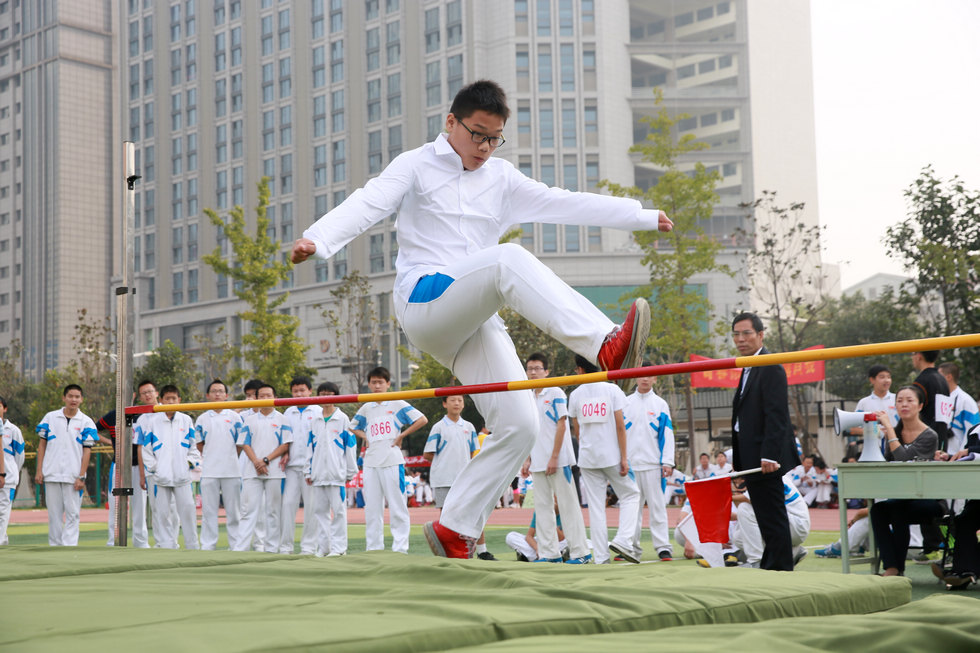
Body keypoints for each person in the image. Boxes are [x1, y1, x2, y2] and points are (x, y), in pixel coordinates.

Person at [291, 80, 672, 558]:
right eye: (477, 135)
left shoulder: (502, 178)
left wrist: (641, 215)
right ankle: (604, 345)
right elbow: (369, 202)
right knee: (507, 259)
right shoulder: (415, 164)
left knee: (521, 423)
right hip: (425, 300)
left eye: (495, 139)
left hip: (473, 318)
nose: (485, 148)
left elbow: (563, 201)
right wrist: (319, 239)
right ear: (451, 122)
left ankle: (455, 529)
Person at [729, 312, 800, 571]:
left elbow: (777, 415)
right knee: (764, 516)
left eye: (746, 333)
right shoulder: (749, 367)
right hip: (752, 455)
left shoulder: (770, 366)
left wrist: (770, 455)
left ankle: (781, 569)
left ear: (760, 335)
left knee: (772, 516)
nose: (740, 339)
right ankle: (773, 566)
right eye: (736, 334)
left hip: (766, 457)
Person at [568, 355, 641, 564]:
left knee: (596, 508)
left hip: (588, 458)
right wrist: (624, 457)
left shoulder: (575, 395)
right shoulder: (612, 390)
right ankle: (623, 539)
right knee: (631, 495)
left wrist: (586, 448)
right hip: (611, 455)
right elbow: (620, 426)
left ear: (580, 370)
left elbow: (577, 430)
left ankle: (601, 557)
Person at [520, 353, 590, 564]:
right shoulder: (527, 397)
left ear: (546, 371)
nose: (533, 372)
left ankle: (581, 553)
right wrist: (527, 459)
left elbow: (562, 425)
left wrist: (554, 457)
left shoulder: (555, 392)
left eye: (537, 368)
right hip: (538, 461)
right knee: (542, 509)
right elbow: (529, 431)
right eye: (530, 369)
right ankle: (549, 554)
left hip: (559, 461)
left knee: (568, 507)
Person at [351, 366, 427, 553]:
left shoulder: (396, 403)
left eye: (380, 382)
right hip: (371, 463)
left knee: (397, 505)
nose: (377, 386)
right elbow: (353, 426)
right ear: (369, 385)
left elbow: (422, 420)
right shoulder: (366, 407)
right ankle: (374, 548)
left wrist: (402, 435)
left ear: (388, 384)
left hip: (392, 460)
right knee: (372, 508)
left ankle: (400, 548)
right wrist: (366, 437)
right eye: (374, 382)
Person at [869, 385, 943, 576]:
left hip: (927, 498)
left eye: (909, 400)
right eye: (900, 401)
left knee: (897, 509)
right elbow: (889, 464)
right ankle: (892, 566)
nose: (904, 404)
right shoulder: (894, 432)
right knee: (878, 510)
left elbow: (903, 459)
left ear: (920, 406)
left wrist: (889, 431)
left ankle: (895, 569)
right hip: (901, 496)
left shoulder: (929, 435)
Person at [423, 393, 498, 560]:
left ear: (463, 404)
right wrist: (444, 463)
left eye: (459, 400)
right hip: (443, 479)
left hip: (465, 480)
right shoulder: (438, 427)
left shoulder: (469, 427)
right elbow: (428, 454)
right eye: (452, 400)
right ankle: (447, 550)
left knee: (475, 512)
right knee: (446, 516)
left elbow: (473, 452)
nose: (456, 403)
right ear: (444, 404)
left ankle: (482, 551)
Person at [35, 384, 99, 546]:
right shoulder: (50, 418)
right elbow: (42, 445)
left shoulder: (86, 422)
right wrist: (39, 470)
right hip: (51, 474)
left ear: (81, 399)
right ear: (64, 398)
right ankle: (55, 546)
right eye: (70, 396)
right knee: (54, 515)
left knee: (73, 514)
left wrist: (81, 476)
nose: (73, 400)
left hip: (73, 476)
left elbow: (87, 451)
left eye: (77, 397)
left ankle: (69, 547)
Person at [139, 385, 200, 550]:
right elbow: (146, 450)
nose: (171, 401)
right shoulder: (153, 422)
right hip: (161, 477)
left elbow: (193, 447)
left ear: (179, 400)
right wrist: (156, 469)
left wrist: (188, 464)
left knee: (188, 512)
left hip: (183, 477)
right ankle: (166, 546)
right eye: (167, 399)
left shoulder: (186, 420)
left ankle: (192, 546)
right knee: (162, 514)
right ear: (161, 400)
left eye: (174, 398)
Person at [624, 367, 675, 561]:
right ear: (635, 377)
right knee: (631, 509)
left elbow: (667, 435)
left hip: (654, 465)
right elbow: (618, 434)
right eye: (641, 375)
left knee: (658, 507)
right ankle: (630, 547)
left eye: (649, 375)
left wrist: (667, 462)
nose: (645, 379)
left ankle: (663, 547)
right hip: (630, 466)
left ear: (655, 378)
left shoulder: (660, 405)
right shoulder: (625, 403)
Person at [235, 383, 292, 553]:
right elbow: (244, 443)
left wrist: (266, 460)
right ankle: (241, 548)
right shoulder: (249, 420)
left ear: (275, 397)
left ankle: (271, 548)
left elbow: (285, 444)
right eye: (262, 396)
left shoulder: (282, 419)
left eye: (269, 395)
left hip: (275, 471)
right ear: (256, 398)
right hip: (252, 471)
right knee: (248, 510)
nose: (265, 398)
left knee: (273, 511)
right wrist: (256, 462)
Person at [305, 381, 357, 557]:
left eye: (330, 393)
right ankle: (324, 548)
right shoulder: (315, 420)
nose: (326, 397)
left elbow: (350, 446)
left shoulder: (342, 419)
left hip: (337, 475)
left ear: (336, 396)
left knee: (339, 513)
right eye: (322, 393)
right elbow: (309, 447)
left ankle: (339, 548)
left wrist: (350, 471)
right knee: (320, 513)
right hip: (318, 474)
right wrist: (308, 470)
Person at [194, 379, 245, 551]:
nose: (217, 394)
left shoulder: (235, 417)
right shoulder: (202, 418)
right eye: (214, 391)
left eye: (221, 391)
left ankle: (236, 545)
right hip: (210, 470)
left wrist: (229, 456)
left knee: (234, 511)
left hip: (232, 470)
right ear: (208, 395)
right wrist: (212, 455)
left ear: (226, 395)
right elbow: (199, 443)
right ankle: (208, 545)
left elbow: (240, 443)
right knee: (209, 511)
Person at [280, 376, 324, 555]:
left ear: (310, 391)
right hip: (291, 467)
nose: (298, 394)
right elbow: (285, 438)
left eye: (302, 390)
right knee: (287, 506)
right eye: (295, 391)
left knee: (311, 508)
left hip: (311, 468)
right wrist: (284, 452)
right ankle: (285, 546)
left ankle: (308, 547)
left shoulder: (318, 411)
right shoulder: (288, 412)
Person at [732, 475, 811, 568]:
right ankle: (791, 553)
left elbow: (751, 500)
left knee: (744, 508)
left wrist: (726, 496)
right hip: (786, 524)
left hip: (795, 525)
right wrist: (733, 494)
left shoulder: (766, 476)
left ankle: (756, 562)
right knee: (739, 538)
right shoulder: (760, 475)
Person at [851, 364, 898, 453]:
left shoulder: (898, 399)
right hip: (873, 451)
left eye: (888, 377)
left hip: (897, 447)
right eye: (882, 377)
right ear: (872, 380)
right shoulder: (864, 403)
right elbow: (854, 429)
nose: (887, 380)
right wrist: (876, 431)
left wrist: (890, 431)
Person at [938, 362, 979, 456]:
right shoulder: (940, 398)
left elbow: (972, 431)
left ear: (949, 377)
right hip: (943, 456)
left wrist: (962, 454)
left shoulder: (965, 400)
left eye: (939, 376)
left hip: (959, 457)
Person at [1, 395, 26, 545]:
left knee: (3, 511)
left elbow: (19, 456)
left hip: (8, 479)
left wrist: (11, 472)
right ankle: (3, 540)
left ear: (5, 408)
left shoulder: (13, 430)